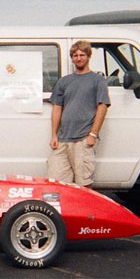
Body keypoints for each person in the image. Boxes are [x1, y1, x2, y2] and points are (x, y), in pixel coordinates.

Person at [48, 40, 110, 187]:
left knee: (84, 182)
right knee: (56, 181)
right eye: (75, 55)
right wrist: (54, 135)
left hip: (83, 139)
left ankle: (87, 210)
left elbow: (103, 106)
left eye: (82, 55)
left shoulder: (97, 79)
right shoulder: (64, 81)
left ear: (88, 56)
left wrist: (93, 134)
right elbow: (57, 108)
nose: (79, 58)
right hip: (63, 140)